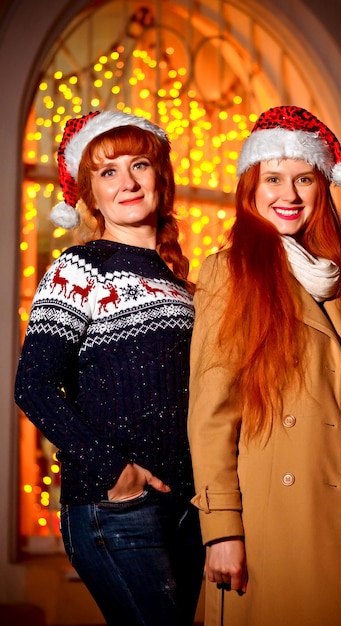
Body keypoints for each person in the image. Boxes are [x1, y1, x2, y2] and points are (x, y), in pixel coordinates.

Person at [187, 105, 341, 626]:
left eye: (304, 179)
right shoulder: (231, 271)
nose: (287, 196)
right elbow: (212, 411)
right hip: (276, 525)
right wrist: (221, 529)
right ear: (251, 187)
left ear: (324, 187)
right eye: (273, 179)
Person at [15, 110, 204, 626]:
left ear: (159, 178)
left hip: (186, 508)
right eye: (108, 172)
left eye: (139, 165)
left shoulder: (179, 282)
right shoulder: (79, 269)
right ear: (89, 195)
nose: (127, 182)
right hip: (117, 507)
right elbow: (32, 386)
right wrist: (117, 474)